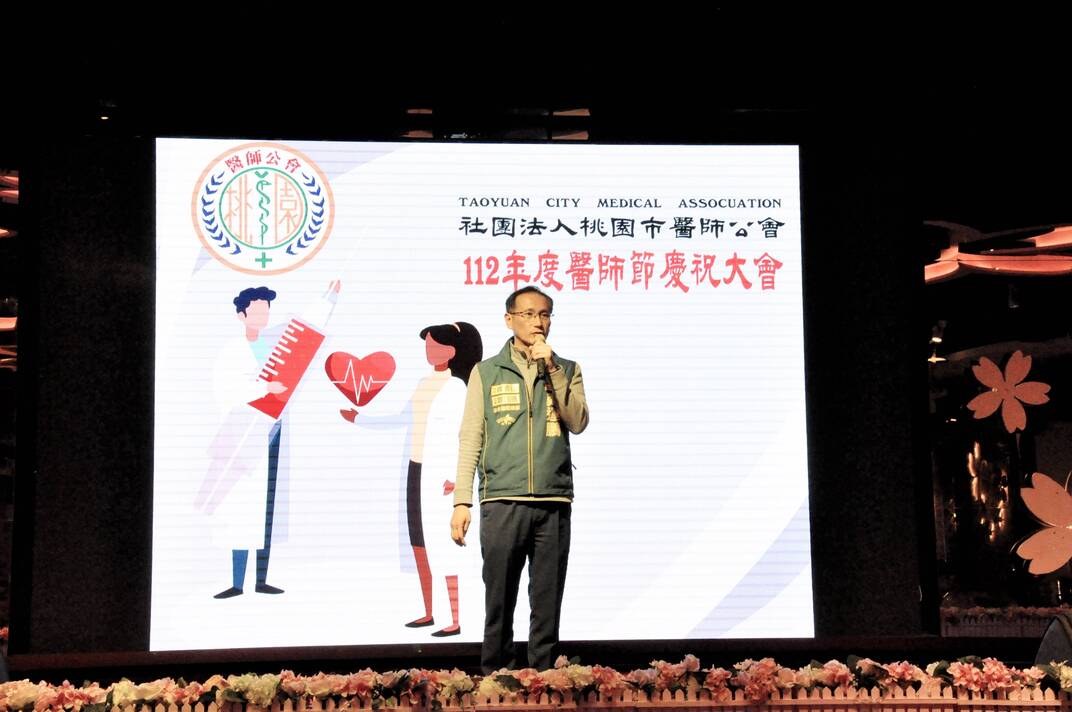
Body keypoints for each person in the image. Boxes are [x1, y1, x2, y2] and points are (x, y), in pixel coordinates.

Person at [451, 286, 589, 672]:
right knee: (499, 600)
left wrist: (553, 369)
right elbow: (471, 436)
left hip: (552, 500)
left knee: (547, 601)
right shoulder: (486, 372)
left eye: (544, 314)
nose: (537, 322)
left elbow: (578, 421)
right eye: (528, 314)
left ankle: (543, 681)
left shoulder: (567, 368)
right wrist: (462, 500)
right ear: (509, 319)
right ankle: (495, 677)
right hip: (502, 500)